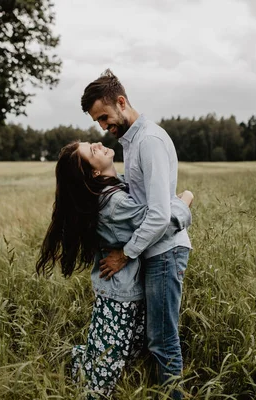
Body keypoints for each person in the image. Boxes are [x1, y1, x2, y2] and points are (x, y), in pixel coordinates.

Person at [36, 140, 194, 399]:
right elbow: (159, 223)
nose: (98, 143)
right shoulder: (114, 202)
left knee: (125, 352)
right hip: (120, 297)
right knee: (102, 378)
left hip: (122, 291)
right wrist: (184, 200)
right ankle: (71, 367)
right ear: (94, 173)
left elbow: (148, 216)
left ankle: (77, 360)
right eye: (92, 150)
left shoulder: (114, 187)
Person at [81, 70, 192, 399]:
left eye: (104, 117)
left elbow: (157, 215)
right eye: (97, 122)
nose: (103, 127)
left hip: (165, 251)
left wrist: (124, 254)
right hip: (153, 250)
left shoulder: (150, 141)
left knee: (162, 340)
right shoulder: (132, 143)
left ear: (121, 102)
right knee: (154, 339)